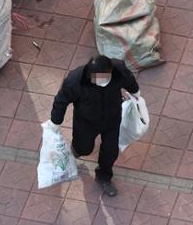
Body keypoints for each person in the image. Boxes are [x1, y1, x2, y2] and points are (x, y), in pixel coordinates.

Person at [47, 55, 140, 197]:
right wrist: (55, 122)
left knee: (110, 151)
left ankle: (104, 177)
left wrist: (135, 92)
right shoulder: (75, 80)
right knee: (83, 148)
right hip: (86, 121)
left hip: (112, 119)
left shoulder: (118, 70)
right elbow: (61, 100)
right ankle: (77, 150)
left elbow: (129, 81)